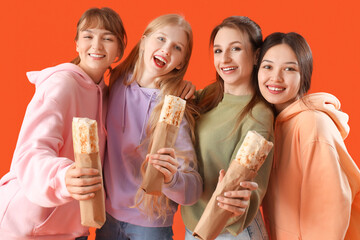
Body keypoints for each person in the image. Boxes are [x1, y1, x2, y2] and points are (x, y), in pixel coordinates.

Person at [0, 7, 127, 240]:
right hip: (27, 227)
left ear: (119, 50)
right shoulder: (61, 85)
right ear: (77, 44)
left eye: (107, 38)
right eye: (88, 36)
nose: (97, 46)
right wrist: (62, 176)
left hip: (73, 229)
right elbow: (30, 151)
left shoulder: (109, 95)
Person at [95, 14, 202, 240]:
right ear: (143, 41)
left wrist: (171, 179)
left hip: (150, 226)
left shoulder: (173, 109)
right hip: (107, 217)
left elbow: (193, 187)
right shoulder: (115, 81)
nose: (166, 49)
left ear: (180, 63)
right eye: (161, 39)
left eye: (177, 47)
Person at [257, 32, 360, 240]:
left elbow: (329, 212)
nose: (276, 77)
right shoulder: (270, 124)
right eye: (267, 66)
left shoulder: (312, 124)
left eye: (289, 69)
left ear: (304, 75)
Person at [181, 16, 274, 240]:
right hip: (194, 225)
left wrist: (242, 201)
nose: (225, 59)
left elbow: (253, 185)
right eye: (218, 50)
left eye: (235, 49)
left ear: (256, 56)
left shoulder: (258, 114)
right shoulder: (210, 94)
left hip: (230, 231)